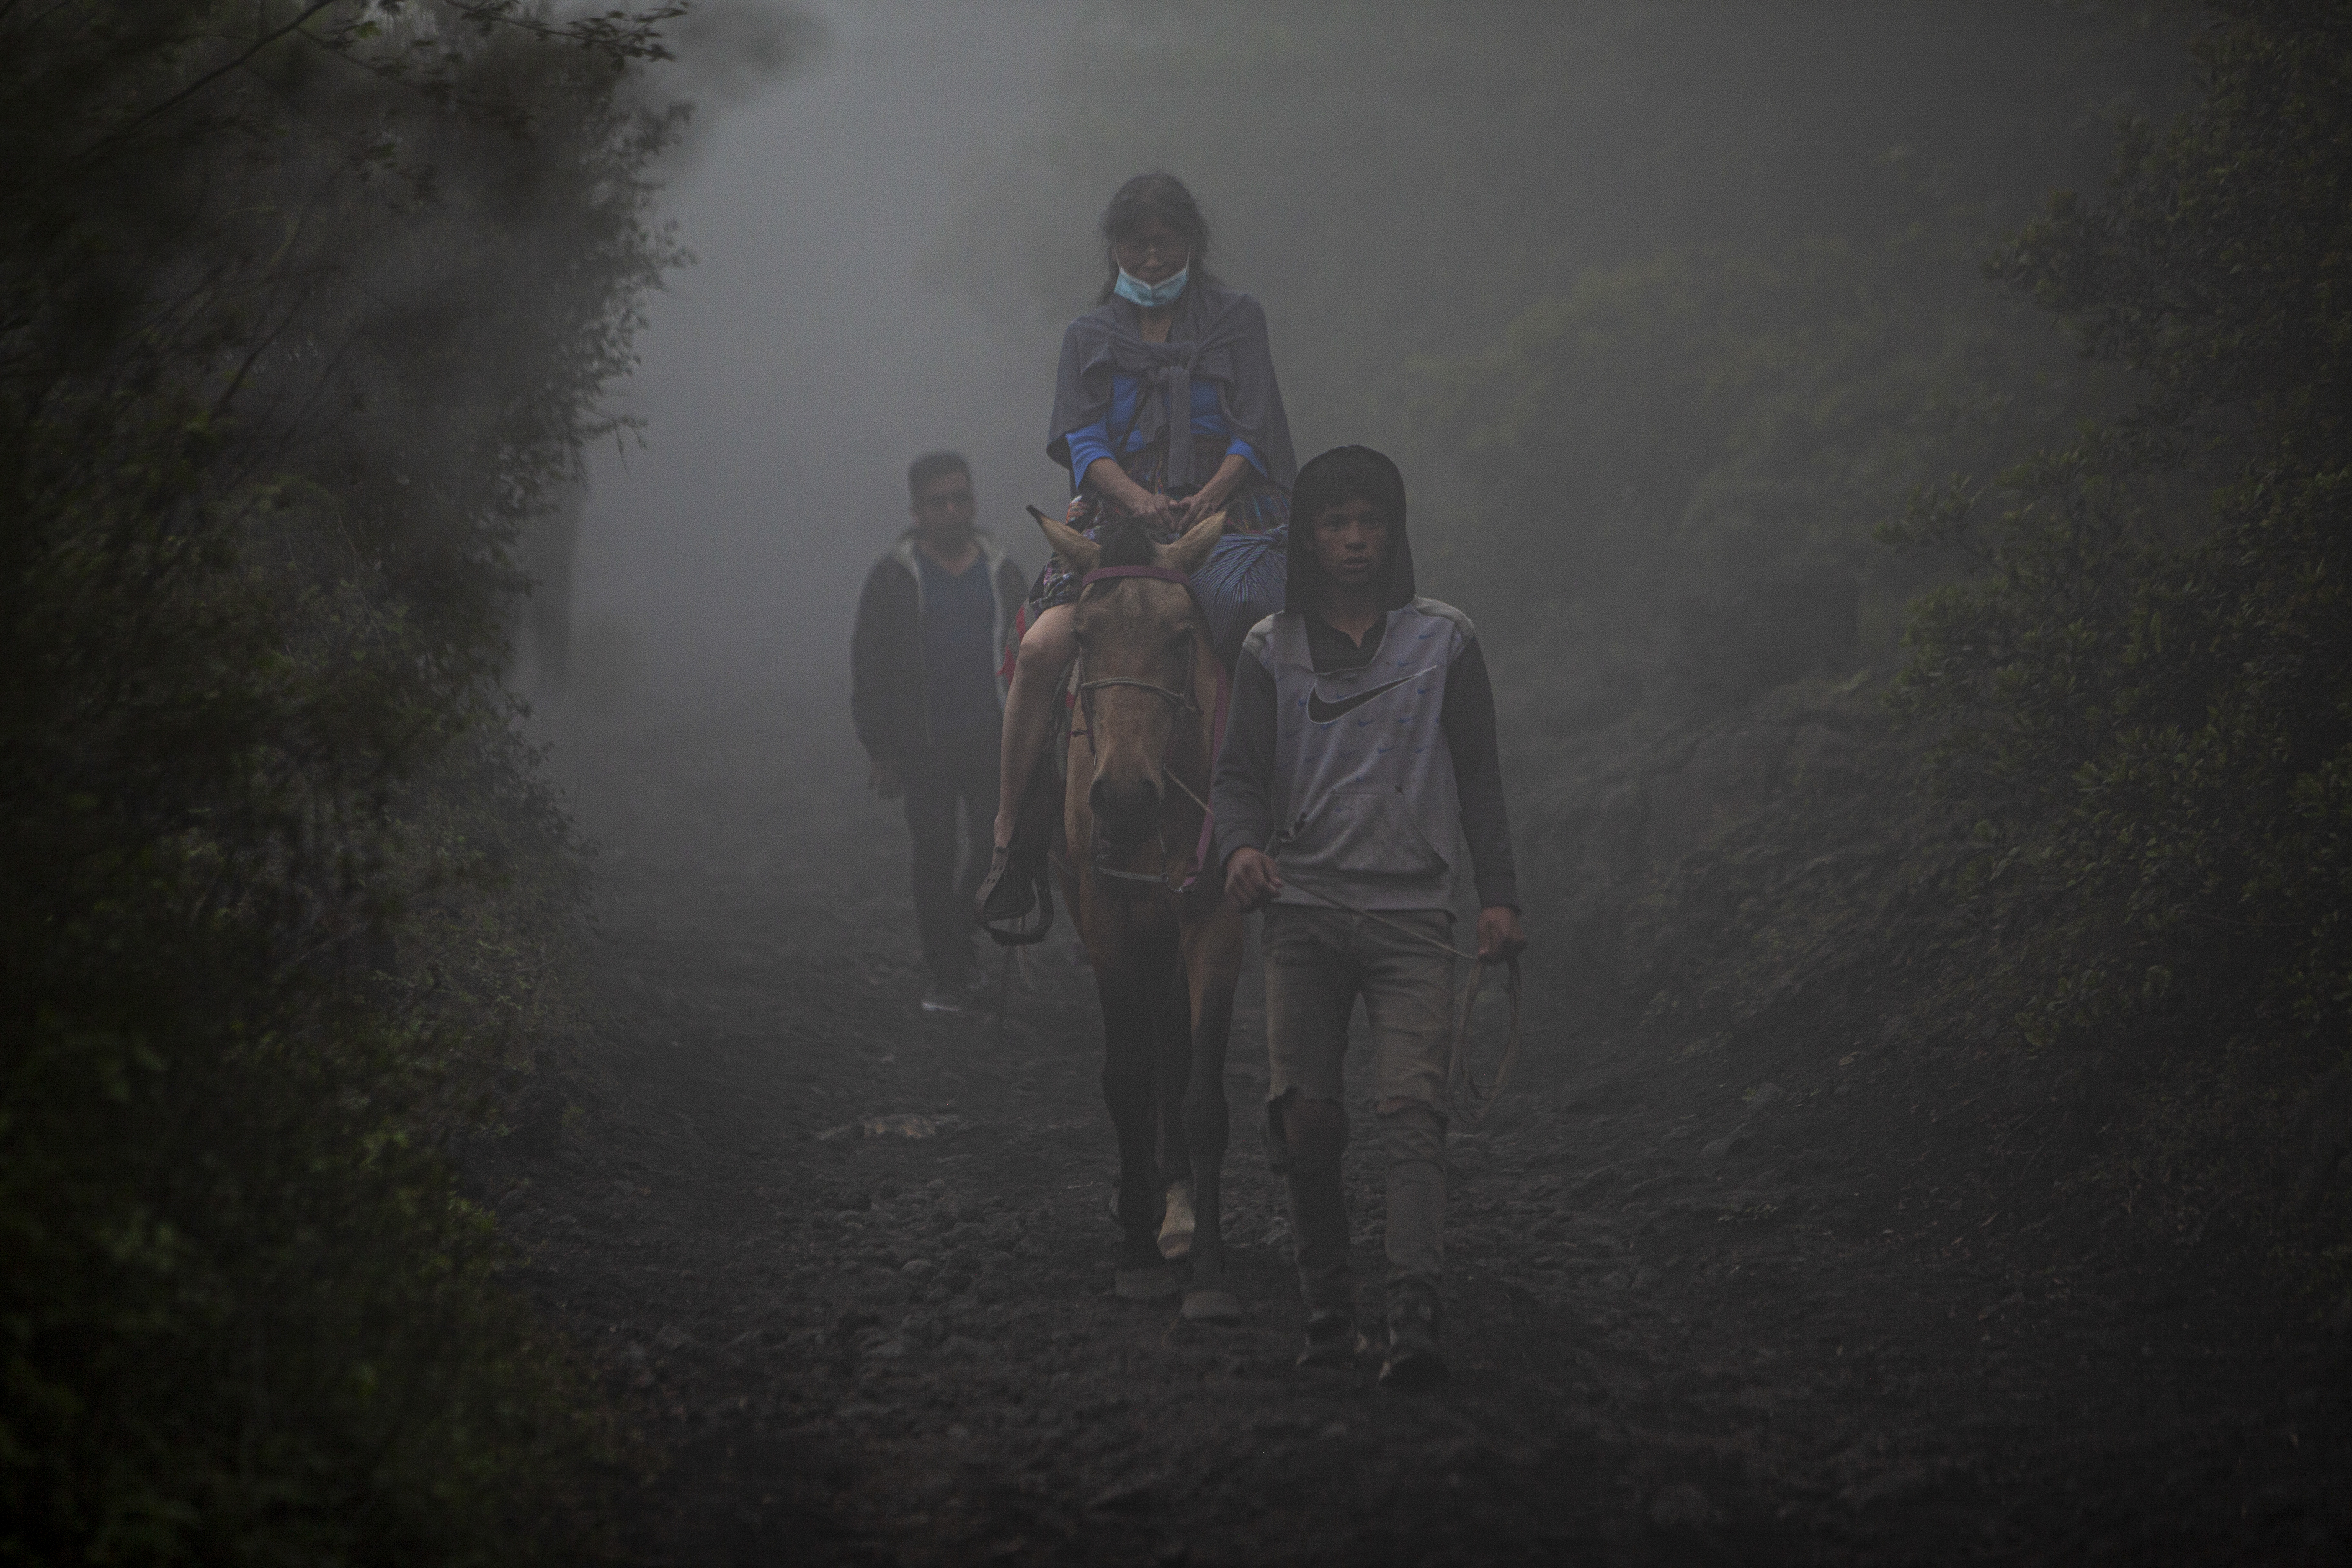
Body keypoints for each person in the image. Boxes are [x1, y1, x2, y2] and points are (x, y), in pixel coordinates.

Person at [1212, 445, 1528, 1390]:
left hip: (1412, 914)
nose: (1355, 540)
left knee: (1411, 1115)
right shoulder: (1270, 647)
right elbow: (1237, 776)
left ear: (1395, 533)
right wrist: (1239, 848)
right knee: (1304, 1119)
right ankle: (1327, 1310)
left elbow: (1479, 776)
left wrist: (1501, 895)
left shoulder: (1446, 641)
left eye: (1371, 522)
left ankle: (1415, 1316)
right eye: (1336, 523)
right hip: (1301, 912)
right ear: (1307, 539)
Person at [975, 172, 1297, 941]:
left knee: (1257, 640)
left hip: (1227, 515)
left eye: (1167, 243)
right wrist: (1136, 498)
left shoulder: (1239, 319)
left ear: (1193, 245)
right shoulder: (1088, 336)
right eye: (1136, 244)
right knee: (1044, 645)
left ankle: (1283, 828)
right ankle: (1012, 837)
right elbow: (1084, 440)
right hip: (1118, 520)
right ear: (1114, 249)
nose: (1152, 259)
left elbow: (1256, 428)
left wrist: (1209, 496)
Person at [851, 451, 1029, 1012]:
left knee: (994, 850)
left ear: (974, 502)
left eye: (961, 499)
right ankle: (948, 975)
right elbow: (870, 664)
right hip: (922, 744)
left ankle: (955, 938)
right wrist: (880, 748)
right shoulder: (893, 578)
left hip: (992, 739)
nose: (952, 511)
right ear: (917, 510)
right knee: (934, 852)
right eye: (939, 502)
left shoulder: (1003, 572)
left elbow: (1034, 655)